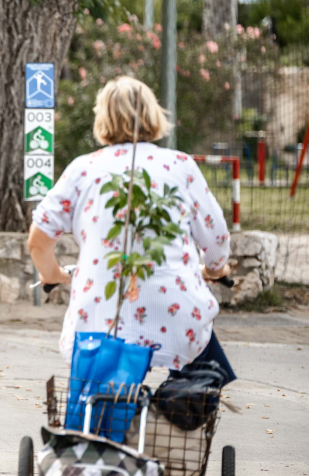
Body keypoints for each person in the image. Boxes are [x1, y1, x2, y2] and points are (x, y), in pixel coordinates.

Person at [27, 76, 236, 382]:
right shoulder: (181, 166)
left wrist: (52, 275)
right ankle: (181, 418)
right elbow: (216, 237)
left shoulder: (82, 169)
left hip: (99, 323)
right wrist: (217, 268)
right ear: (153, 114)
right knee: (200, 359)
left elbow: (38, 242)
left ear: (103, 118)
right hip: (177, 319)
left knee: (96, 379)